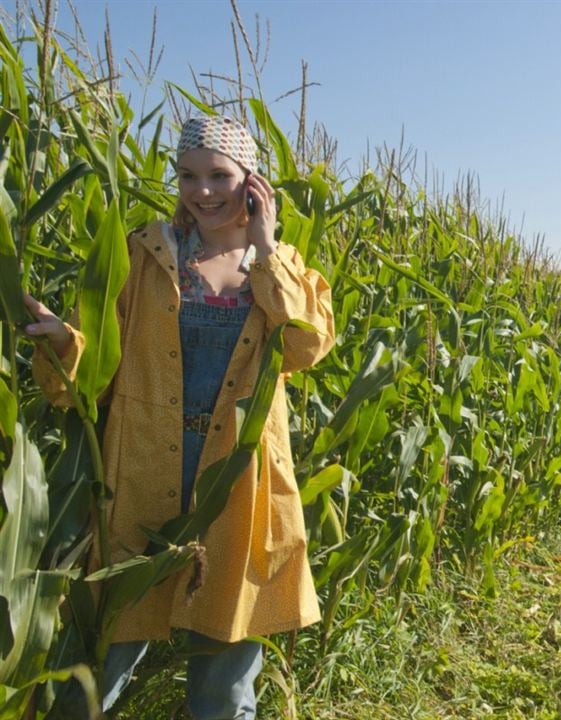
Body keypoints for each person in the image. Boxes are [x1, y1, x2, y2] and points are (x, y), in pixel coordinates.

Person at [25, 115, 335, 719]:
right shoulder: (147, 253)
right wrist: (67, 344)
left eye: (220, 174)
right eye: (189, 175)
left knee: (224, 683)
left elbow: (304, 347)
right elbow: (102, 365)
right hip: (139, 473)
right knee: (98, 663)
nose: (203, 191)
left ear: (252, 181)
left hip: (238, 484)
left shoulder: (283, 266)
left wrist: (268, 250)